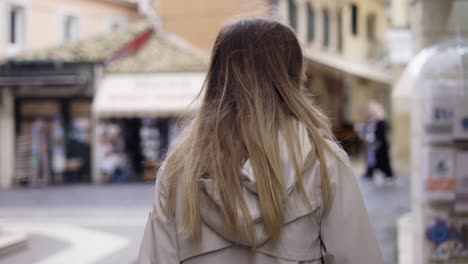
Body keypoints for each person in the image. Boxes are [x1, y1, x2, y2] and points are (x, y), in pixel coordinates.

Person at [138, 19, 383, 264]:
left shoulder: (180, 168)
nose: (305, 76)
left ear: (217, 76)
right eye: (300, 68)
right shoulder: (322, 161)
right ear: (289, 80)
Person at [355, 101, 394, 182]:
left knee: (382, 161)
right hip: (372, 146)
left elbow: (381, 134)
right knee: (371, 160)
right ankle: (369, 173)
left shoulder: (381, 121)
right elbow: (366, 130)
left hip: (380, 145)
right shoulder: (370, 120)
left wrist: (372, 137)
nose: (370, 112)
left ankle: (386, 173)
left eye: (372, 111)